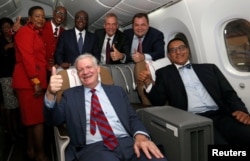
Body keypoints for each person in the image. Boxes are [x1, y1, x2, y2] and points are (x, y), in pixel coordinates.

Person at [44, 54, 168, 161]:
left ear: (98, 69)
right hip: (93, 148)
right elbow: (53, 120)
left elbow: (132, 117)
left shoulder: (117, 91)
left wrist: (141, 137)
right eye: (81, 70)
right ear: (77, 75)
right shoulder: (70, 95)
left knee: (156, 158)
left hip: (128, 143)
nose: (85, 72)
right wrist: (50, 94)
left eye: (88, 67)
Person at [138, 37, 250, 145]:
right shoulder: (164, 73)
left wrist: (241, 110)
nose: (178, 52)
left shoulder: (210, 68)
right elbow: (159, 101)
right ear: (169, 56)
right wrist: (148, 82)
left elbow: (229, 93)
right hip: (193, 119)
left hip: (221, 115)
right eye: (173, 50)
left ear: (188, 50)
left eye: (181, 48)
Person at [12, 6, 49, 161]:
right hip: (29, 83)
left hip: (32, 81)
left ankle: (31, 150)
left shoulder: (34, 33)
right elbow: (28, 58)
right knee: (38, 120)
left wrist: (50, 67)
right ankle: (40, 155)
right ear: (30, 18)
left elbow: (39, 58)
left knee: (31, 120)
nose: (40, 19)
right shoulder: (25, 32)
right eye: (37, 16)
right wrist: (35, 81)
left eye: (42, 16)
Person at [0, 17, 19, 142]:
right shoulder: (1, 42)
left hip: (15, 76)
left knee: (14, 106)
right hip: (5, 76)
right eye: (4, 27)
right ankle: (10, 133)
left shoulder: (15, 38)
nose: (7, 29)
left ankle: (15, 130)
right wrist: (6, 47)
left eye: (9, 26)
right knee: (8, 106)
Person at [42, 6, 67, 75]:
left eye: (63, 15)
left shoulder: (64, 33)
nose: (61, 16)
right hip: (40, 67)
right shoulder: (42, 26)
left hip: (55, 69)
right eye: (59, 12)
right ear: (53, 13)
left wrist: (57, 61)